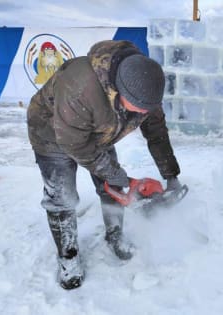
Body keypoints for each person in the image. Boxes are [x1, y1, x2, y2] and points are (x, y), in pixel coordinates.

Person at [27, 40, 182, 289]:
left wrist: (171, 175)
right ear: (119, 91)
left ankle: (115, 237)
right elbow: (74, 144)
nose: (143, 114)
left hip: (99, 129)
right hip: (52, 133)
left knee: (113, 186)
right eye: (138, 109)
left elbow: (157, 132)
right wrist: (116, 174)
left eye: (146, 110)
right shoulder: (81, 86)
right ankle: (68, 258)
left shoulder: (145, 86)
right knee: (62, 197)